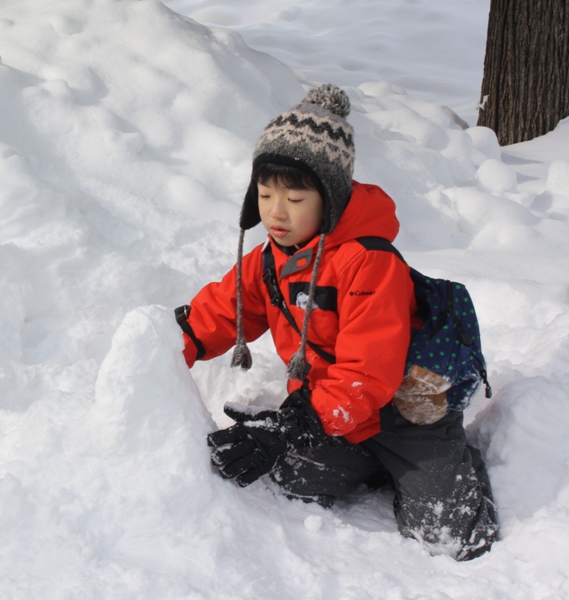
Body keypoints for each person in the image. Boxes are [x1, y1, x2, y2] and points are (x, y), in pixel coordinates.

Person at [174, 84, 498, 561]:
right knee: (289, 478)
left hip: (406, 406)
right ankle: (374, 461)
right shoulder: (269, 262)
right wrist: (166, 347)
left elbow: (369, 373)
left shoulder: (369, 263)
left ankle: (445, 457)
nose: (276, 212)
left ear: (329, 196)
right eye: (265, 194)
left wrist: (289, 426)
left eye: (296, 198)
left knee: (449, 536)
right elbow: (217, 314)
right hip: (336, 413)